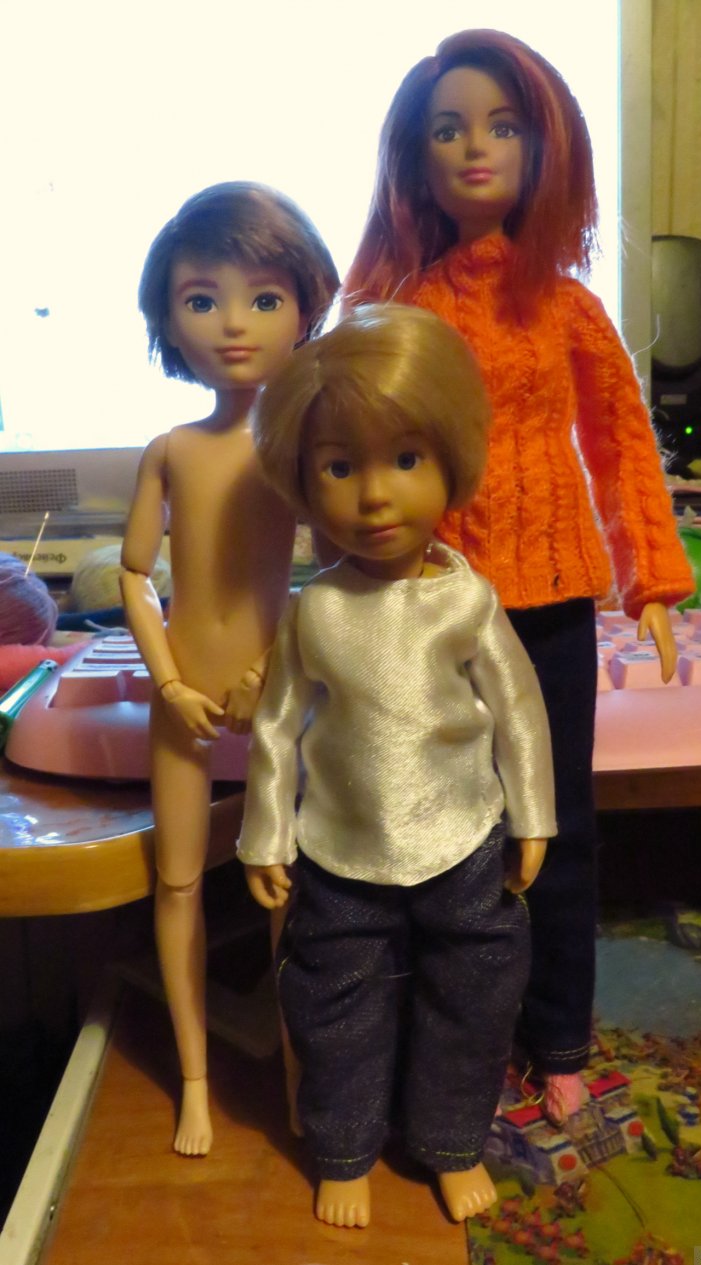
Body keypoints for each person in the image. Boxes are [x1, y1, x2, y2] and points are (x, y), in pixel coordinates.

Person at [344, 30, 695, 1123]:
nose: (474, 148)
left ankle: (557, 1035)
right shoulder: (407, 307)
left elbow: (621, 443)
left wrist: (652, 578)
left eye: (501, 126)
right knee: (441, 821)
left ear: (543, 149)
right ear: (417, 159)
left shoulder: (566, 306)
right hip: (434, 607)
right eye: (449, 130)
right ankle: (452, 1030)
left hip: (550, 605)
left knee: (561, 824)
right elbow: (357, 443)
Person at [237, 303, 556, 1228]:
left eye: (406, 459)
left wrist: (532, 815)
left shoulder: (468, 600)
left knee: (475, 994)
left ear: (451, 459)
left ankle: (450, 1142)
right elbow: (276, 726)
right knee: (334, 1001)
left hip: (463, 837)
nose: (375, 496)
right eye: (340, 468)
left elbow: (519, 711)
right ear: (304, 481)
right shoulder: (317, 610)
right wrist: (265, 833)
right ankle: (343, 1147)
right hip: (339, 848)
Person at [120, 181, 339, 1157]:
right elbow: (134, 574)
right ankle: (197, 1083)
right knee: (176, 884)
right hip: (184, 699)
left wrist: (279, 662)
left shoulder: (303, 445)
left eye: (265, 297)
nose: (235, 323)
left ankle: (296, 1075)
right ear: (169, 319)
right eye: (202, 299)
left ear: (304, 306)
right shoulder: (171, 450)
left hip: (275, 696)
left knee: (284, 884)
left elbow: (335, 570)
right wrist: (168, 681)